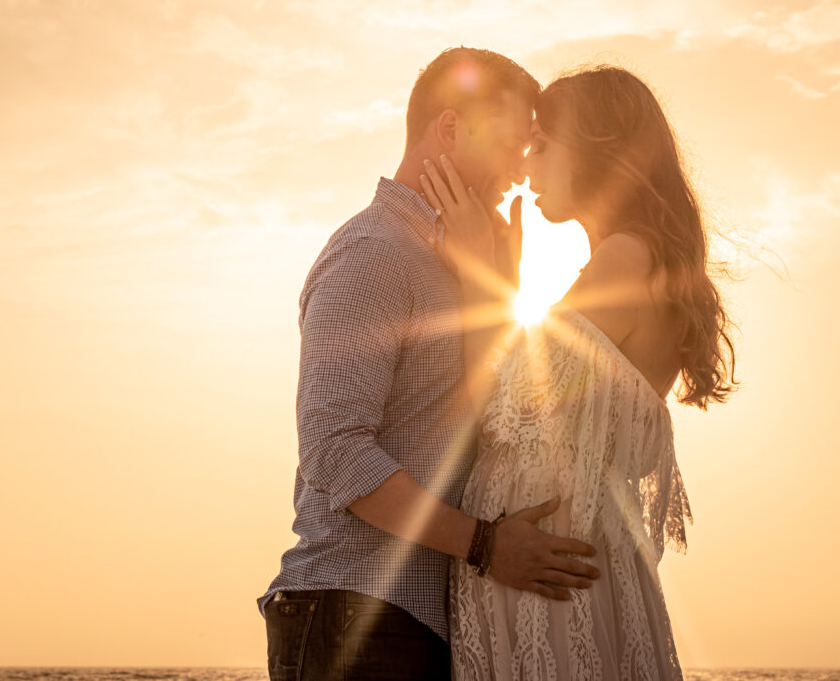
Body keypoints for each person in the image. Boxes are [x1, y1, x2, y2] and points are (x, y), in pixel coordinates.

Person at [257, 47, 601, 681]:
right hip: (353, 612)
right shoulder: (373, 253)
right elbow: (336, 453)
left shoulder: (458, 257)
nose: (521, 174)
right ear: (449, 129)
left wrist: (500, 284)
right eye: (510, 145)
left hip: (418, 621)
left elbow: (496, 415)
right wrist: (485, 546)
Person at [420, 66, 738, 680]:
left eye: (542, 144)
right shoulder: (635, 258)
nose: (528, 163)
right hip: (556, 575)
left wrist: (477, 267)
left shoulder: (625, 258)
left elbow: (498, 408)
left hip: (551, 589)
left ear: (595, 149)